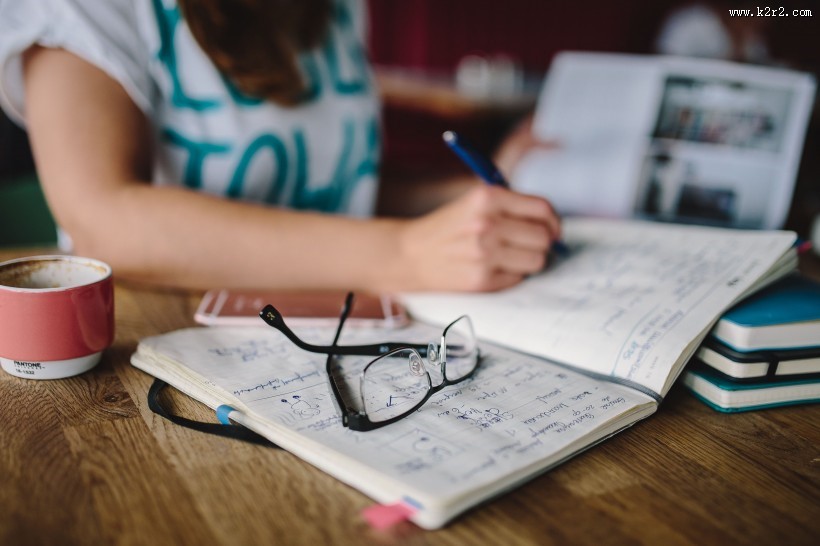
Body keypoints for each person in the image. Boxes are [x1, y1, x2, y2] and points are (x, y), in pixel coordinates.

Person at [0, 0, 561, 293]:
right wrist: (406, 254)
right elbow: (105, 220)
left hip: (340, 313)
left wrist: (472, 193)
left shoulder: (335, 7)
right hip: (161, 333)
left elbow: (338, 186)